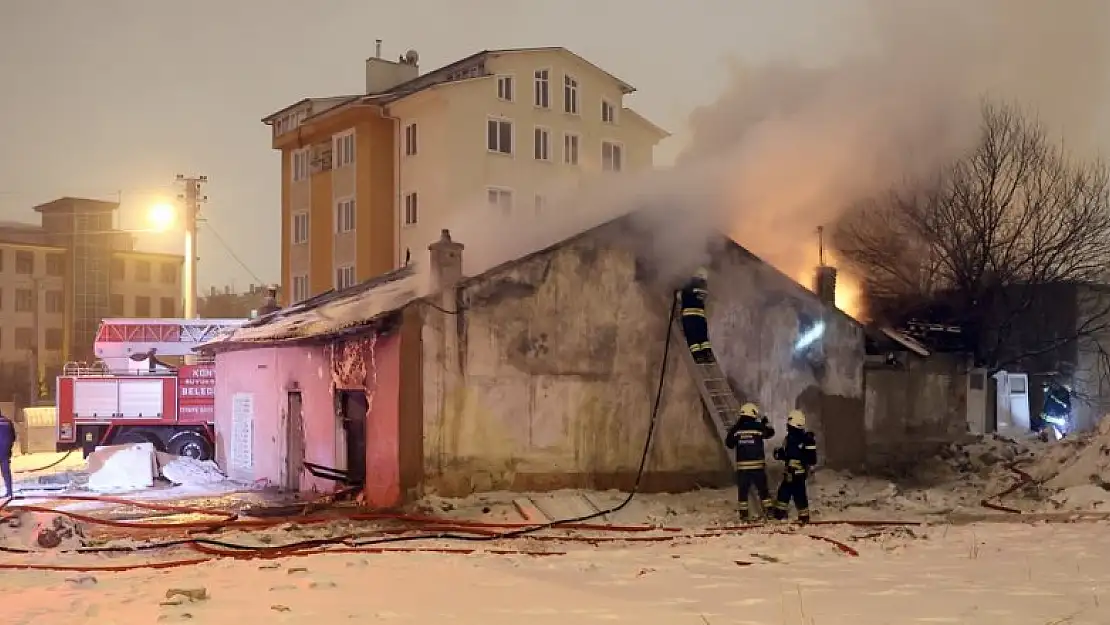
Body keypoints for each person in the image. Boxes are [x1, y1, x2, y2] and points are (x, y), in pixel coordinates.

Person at [725, 402, 776, 520]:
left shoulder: (736, 429)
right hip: (757, 467)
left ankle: (744, 516)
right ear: (753, 414)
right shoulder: (758, 427)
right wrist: (765, 422)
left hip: (743, 469)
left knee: (743, 493)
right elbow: (770, 433)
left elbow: (729, 444)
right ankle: (769, 512)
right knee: (763, 491)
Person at [772, 409, 819, 523]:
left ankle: (792, 516)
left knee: (791, 494)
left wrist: (781, 455)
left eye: (788, 424)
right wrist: (779, 454)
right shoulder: (793, 438)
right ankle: (793, 516)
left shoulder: (803, 439)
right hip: (793, 473)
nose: (787, 426)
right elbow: (787, 454)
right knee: (789, 493)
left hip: (796, 474)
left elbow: (811, 459)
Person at [679, 267, 713, 364]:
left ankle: (698, 357)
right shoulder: (704, 289)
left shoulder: (690, 285)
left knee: (692, 337)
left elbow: (681, 296)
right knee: (703, 338)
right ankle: (708, 354)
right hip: (701, 316)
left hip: (690, 316)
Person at [0, 410, 15, 499]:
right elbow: (13, 437)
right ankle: (9, 492)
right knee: (6, 473)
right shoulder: (8, 422)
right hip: (5, 452)